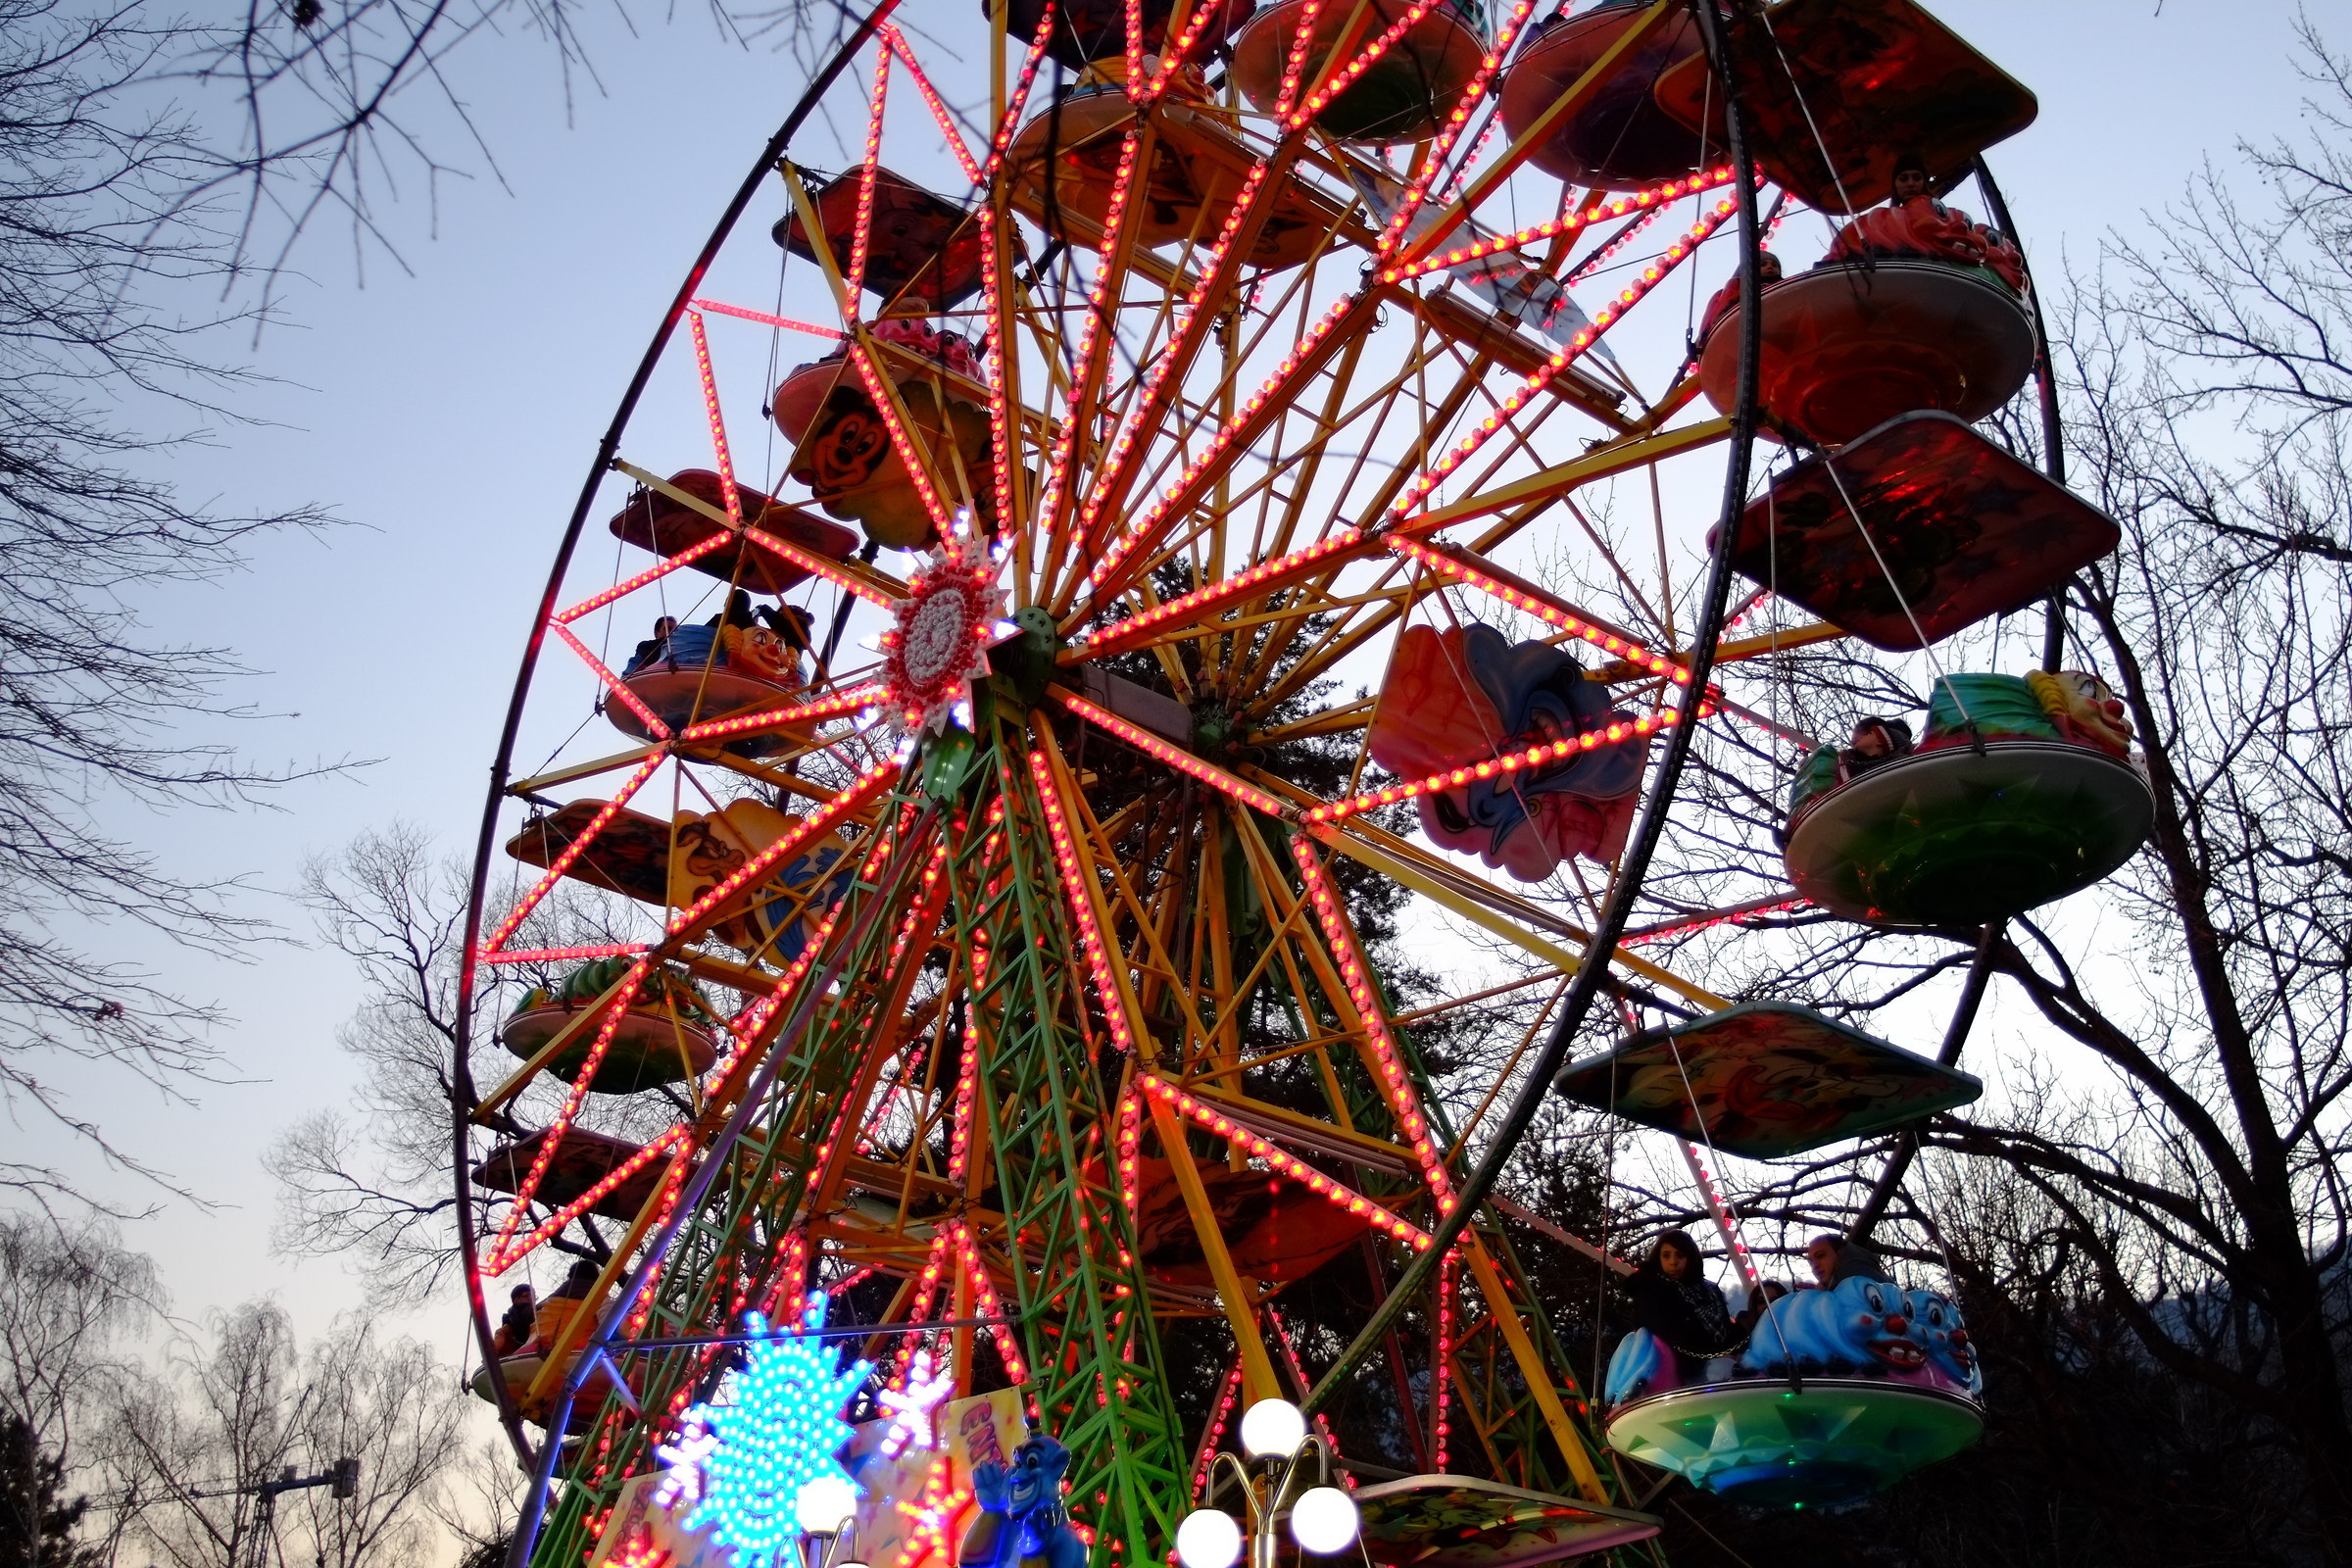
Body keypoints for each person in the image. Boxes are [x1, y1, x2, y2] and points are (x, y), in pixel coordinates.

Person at [1822, 150, 2027, 292]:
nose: (1910, 184)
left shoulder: (1945, 215)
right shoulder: (1881, 221)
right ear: (1895, 185)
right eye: (1904, 179)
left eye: (1915, 178)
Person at [1623, 1230, 1741, 1386]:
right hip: (1676, 1371)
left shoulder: (1711, 1291)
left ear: (1690, 1258)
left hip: (1718, 1361)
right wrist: (1713, 1355)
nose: (1673, 1262)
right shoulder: (1651, 1290)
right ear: (1658, 1258)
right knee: (1722, 1370)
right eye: (1666, 1255)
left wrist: (1737, 1349)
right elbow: (1669, 1332)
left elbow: (1727, 1331)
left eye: (1680, 1255)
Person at [1696, 248, 1783, 341]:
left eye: (1774, 265)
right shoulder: (1739, 289)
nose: (1770, 267)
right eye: (1763, 265)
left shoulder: (1783, 289)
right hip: (1744, 332)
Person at [1805, 1233, 1893, 1290]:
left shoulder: (1856, 1277)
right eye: (1810, 1262)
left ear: (1840, 1251)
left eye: (1820, 1255)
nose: (1815, 1266)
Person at [1839, 715, 1914, 779]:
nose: (1853, 745)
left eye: (1855, 741)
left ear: (1880, 739)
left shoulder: (1908, 766)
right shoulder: (1842, 763)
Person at [493, 1284, 537, 1357]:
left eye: (533, 1296)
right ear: (516, 1300)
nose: (531, 1299)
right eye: (527, 1296)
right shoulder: (506, 1329)